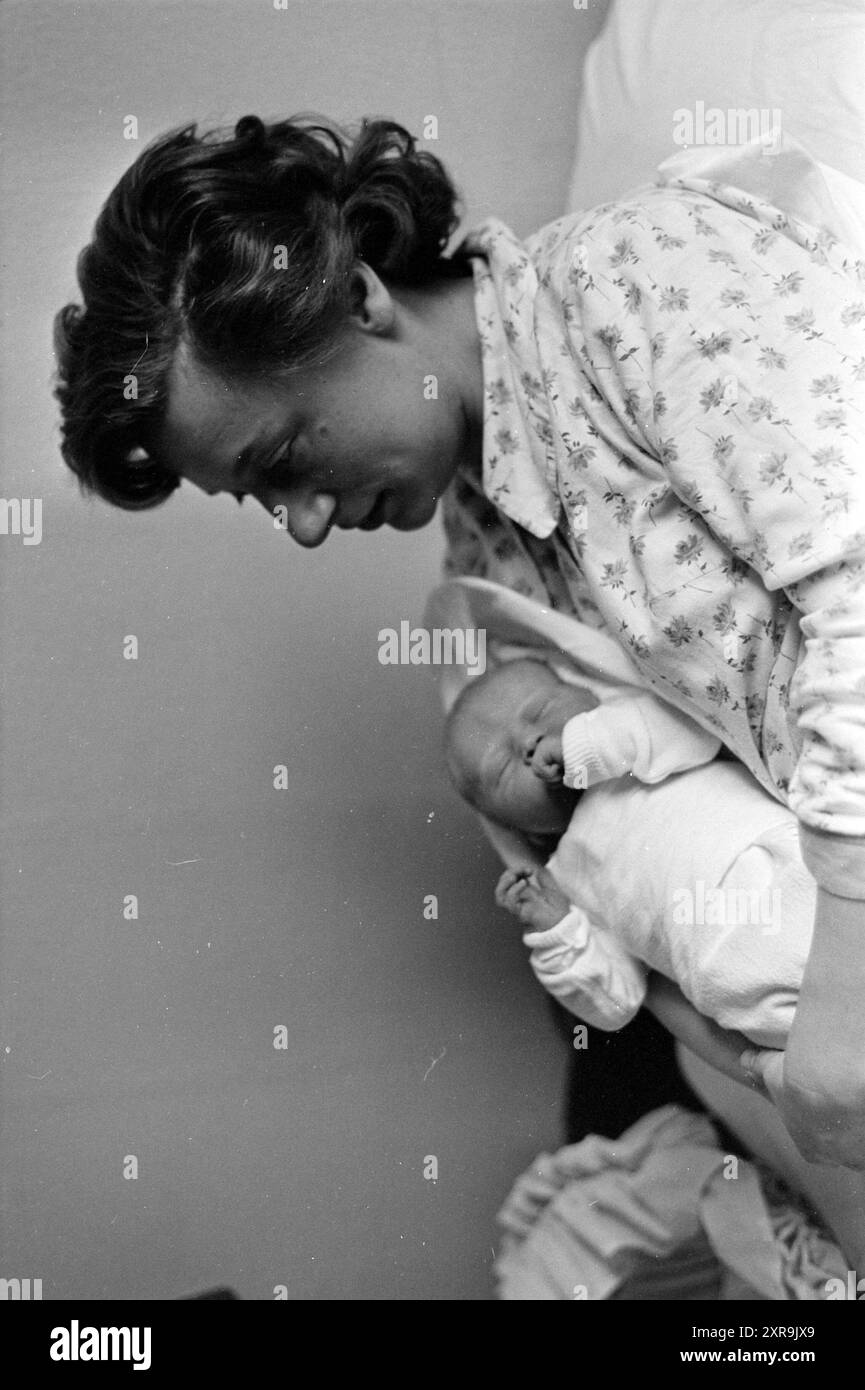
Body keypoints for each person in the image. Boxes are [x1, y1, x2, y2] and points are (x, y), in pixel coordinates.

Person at [53, 112, 865, 1169]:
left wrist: (839, 1014)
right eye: (260, 498)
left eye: (286, 455)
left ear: (358, 301)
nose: (301, 523)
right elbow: (604, 883)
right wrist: (759, 1054)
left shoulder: (636, 282)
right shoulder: (486, 570)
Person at [444, 654, 814, 1050]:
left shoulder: (632, 742)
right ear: (521, 831)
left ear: (589, 693)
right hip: (741, 982)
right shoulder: (566, 881)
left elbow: (701, 730)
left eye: (541, 710)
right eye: (501, 768)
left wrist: (588, 746)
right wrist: (556, 933)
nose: (527, 742)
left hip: (789, 874)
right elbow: (615, 1003)